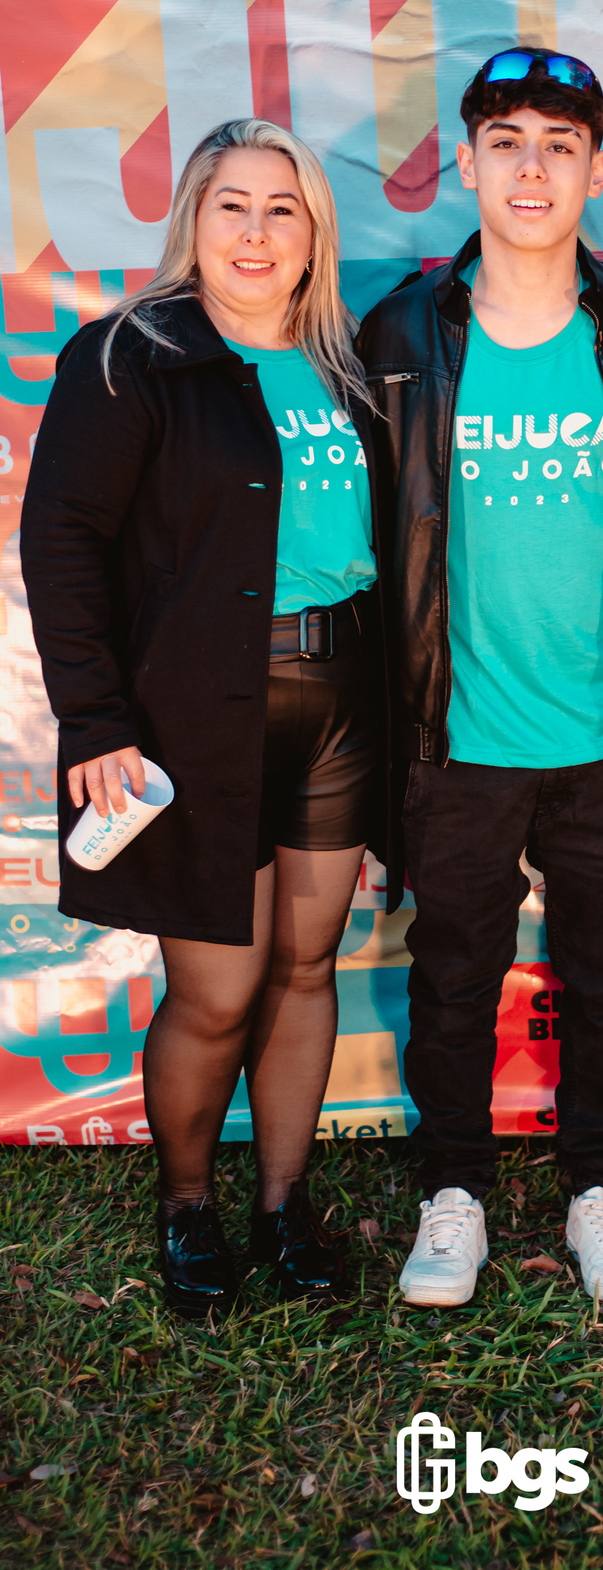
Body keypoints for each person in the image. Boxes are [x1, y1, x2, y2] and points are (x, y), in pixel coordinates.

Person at [22, 118, 383, 1317]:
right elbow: (61, 543)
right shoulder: (130, 357)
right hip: (195, 717)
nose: (257, 232)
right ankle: (187, 1205)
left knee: (307, 964)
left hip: (339, 702)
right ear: (194, 219)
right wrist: (95, 721)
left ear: (314, 233)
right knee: (220, 989)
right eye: (233, 205)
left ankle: (283, 1205)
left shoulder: (346, 365)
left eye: (284, 208)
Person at [357, 49, 603, 1307]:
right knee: (452, 976)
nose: (532, 166)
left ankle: (601, 1184)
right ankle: (453, 1190)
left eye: (560, 143)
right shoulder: (404, 332)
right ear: (468, 163)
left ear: (597, 170)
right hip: (456, 737)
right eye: (506, 142)